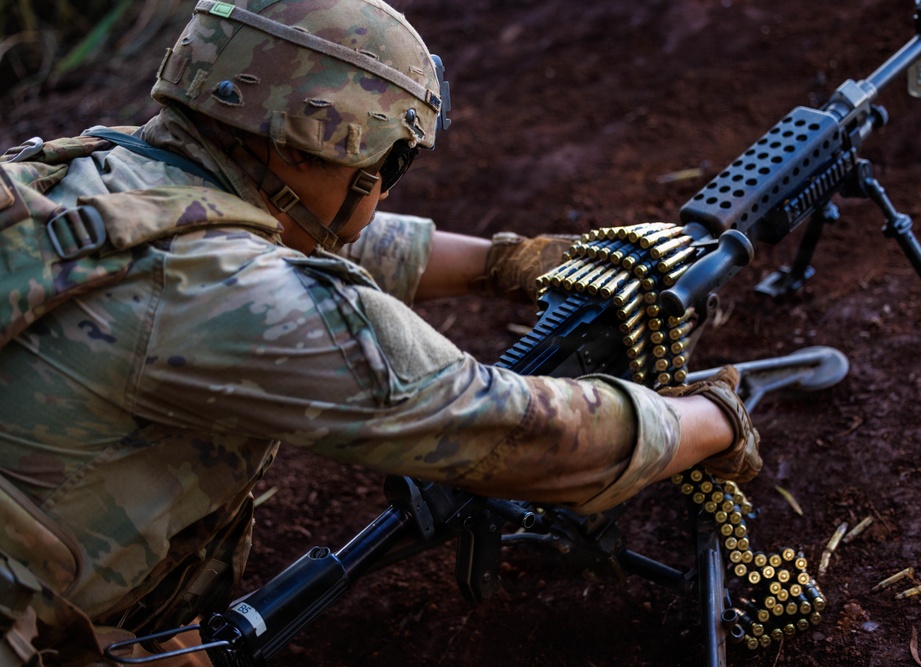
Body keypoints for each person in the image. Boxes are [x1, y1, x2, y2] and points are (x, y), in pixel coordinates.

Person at [0, 0, 761, 664]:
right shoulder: (229, 296)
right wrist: (709, 421)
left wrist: (507, 263)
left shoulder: (90, 176)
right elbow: (516, 436)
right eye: (389, 159)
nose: (386, 181)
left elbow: (288, 225)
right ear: (317, 145)